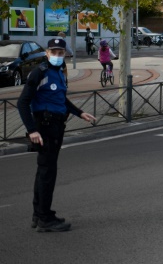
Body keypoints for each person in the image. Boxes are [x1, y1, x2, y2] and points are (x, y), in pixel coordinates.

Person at [17, 38, 97, 232]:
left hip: (56, 126)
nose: (58, 56)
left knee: (45, 171)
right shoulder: (39, 73)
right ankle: (44, 218)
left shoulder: (59, 73)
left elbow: (61, 98)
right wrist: (32, 130)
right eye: (54, 52)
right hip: (44, 126)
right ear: (47, 53)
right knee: (47, 173)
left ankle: (40, 213)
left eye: (61, 53)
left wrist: (80, 113)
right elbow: (22, 102)